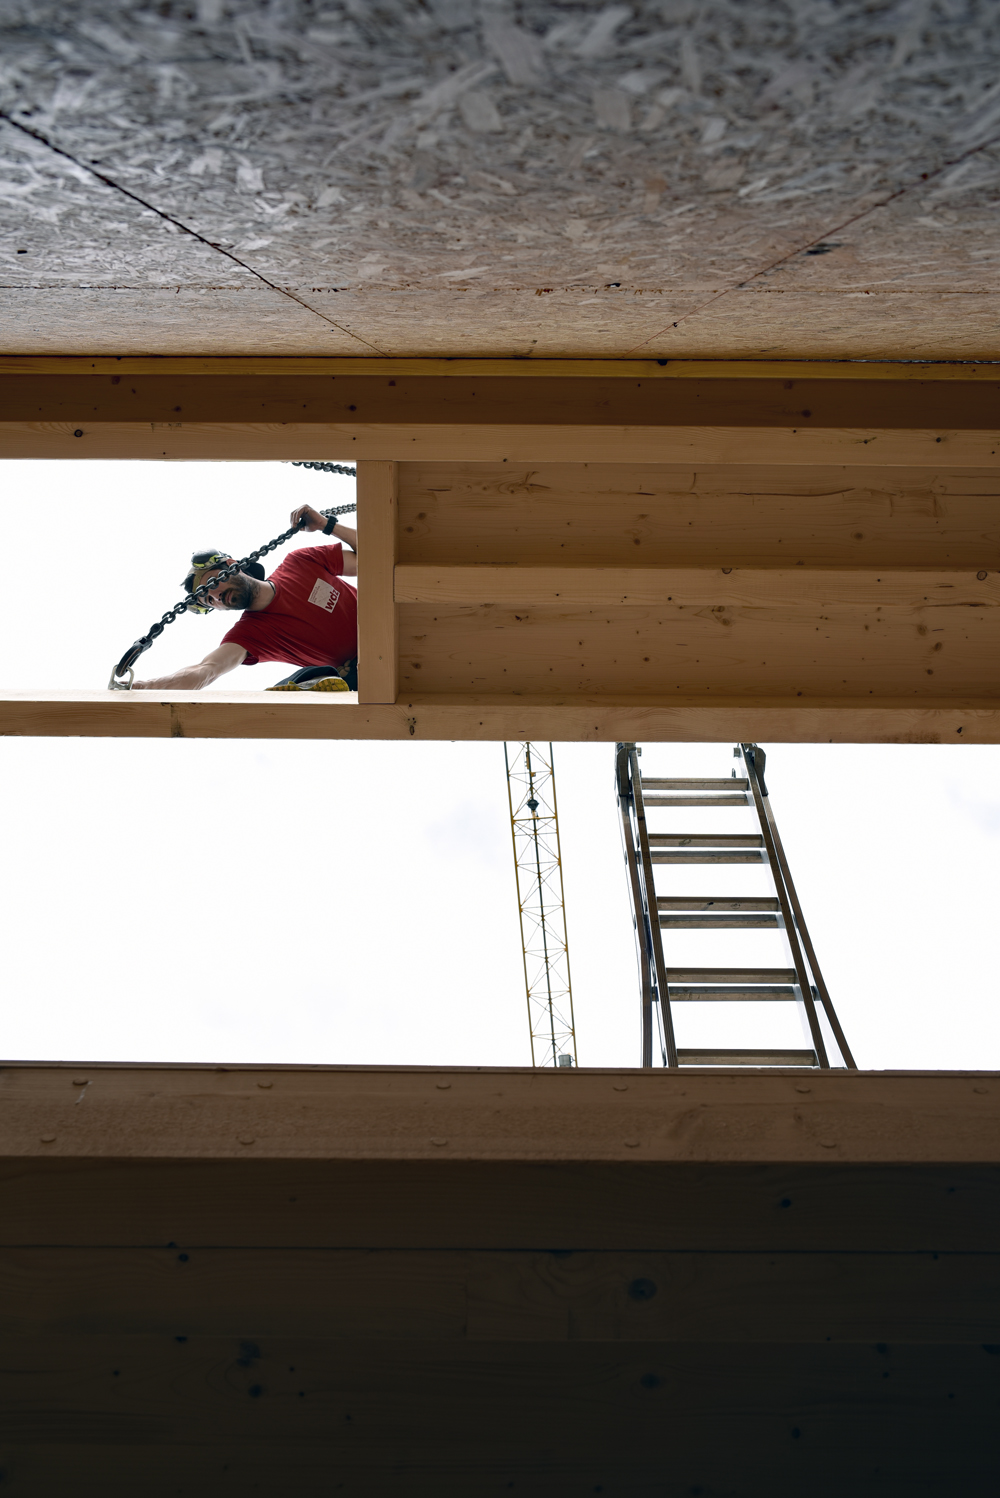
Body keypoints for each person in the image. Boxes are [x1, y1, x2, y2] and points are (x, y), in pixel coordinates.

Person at [133, 505, 358, 691]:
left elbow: (376, 553)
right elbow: (206, 669)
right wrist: (145, 688)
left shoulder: (301, 562)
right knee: (305, 680)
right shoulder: (249, 635)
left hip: (390, 622)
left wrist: (325, 525)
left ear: (232, 565)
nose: (215, 595)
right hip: (362, 671)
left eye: (212, 582)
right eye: (209, 601)